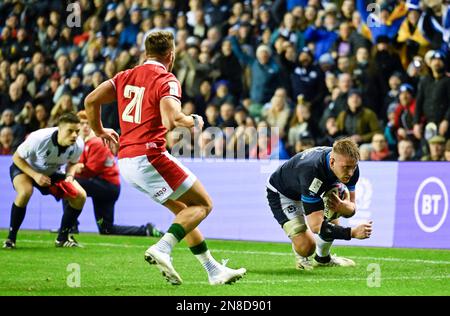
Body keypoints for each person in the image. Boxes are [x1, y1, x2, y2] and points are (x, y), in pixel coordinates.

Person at [84, 31, 246, 285]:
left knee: (184, 211)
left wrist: (100, 131)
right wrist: (194, 120)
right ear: (170, 56)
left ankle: (213, 270)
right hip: (150, 155)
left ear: (145, 53)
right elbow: (172, 120)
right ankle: (163, 248)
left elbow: (90, 100)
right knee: (204, 205)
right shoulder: (166, 79)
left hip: (126, 161)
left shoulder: (125, 76)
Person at [266, 138, 372, 270]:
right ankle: (302, 257)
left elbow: (351, 208)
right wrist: (352, 233)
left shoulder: (350, 166)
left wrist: (343, 207)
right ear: (332, 161)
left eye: (353, 167)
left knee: (334, 209)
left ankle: (322, 258)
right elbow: (316, 226)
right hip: (283, 193)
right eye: (346, 168)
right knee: (307, 247)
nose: (351, 173)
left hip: (310, 187)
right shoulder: (312, 170)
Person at [72, 110, 164, 237]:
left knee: (70, 185)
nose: (85, 126)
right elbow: (80, 166)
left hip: (106, 186)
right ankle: (146, 230)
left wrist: (76, 171)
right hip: (105, 187)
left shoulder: (97, 142)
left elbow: (91, 170)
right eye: (82, 123)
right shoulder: (85, 143)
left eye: (88, 123)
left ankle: (70, 226)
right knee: (106, 229)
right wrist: (77, 168)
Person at [3, 113, 86, 249]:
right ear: (59, 130)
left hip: (51, 173)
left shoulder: (78, 145)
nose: (75, 135)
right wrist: (35, 175)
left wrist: (70, 175)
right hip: (25, 169)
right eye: (70, 131)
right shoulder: (39, 138)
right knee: (25, 192)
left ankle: (63, 238)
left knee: (80, 196)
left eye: (77, 131)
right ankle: (10, 239)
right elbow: (16, 158)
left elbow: (72, 163)